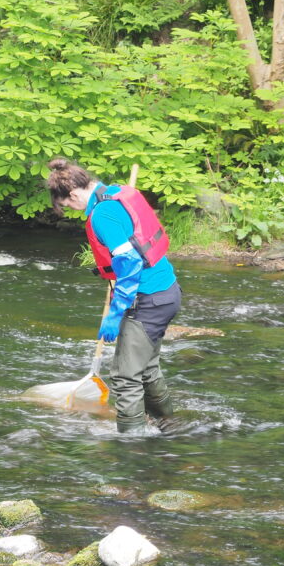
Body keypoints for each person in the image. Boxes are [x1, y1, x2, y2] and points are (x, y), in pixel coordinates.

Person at [46, 158, 181, 434]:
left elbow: (130, 264)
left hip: (147, 299)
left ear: (73, 193)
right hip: (166, 292)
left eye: (69, 205)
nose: (71, 210)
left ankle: (131, 444)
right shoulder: (115, 192)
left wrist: (116, 312)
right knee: (146, 368)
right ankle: (169, 425)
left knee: (124, 377)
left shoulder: (103, 215)